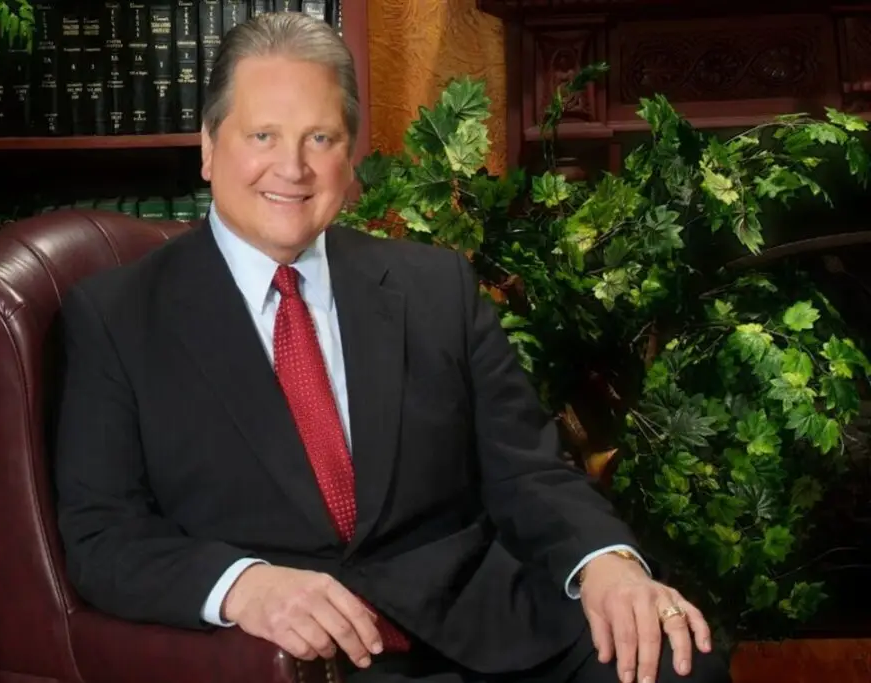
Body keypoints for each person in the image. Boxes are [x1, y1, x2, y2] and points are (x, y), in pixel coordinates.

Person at [53, 11, 731, 683]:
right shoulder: (117, 316)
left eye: (319, 137)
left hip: (486, 624)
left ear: (348, 156)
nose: (291, 167)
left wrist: (606, 562)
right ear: (208, 146)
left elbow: (527, 469)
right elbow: (102, 534)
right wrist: (244, 585)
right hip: (308, 654)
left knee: (679, 661)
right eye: (263, 134)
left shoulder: (433, 284)